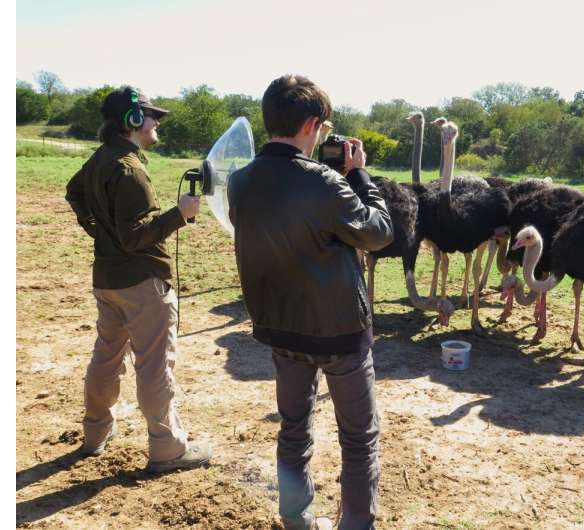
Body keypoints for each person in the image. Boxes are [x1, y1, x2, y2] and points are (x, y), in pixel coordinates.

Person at [228, 75, 393, 530]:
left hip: (282, 330)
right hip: (339, 332)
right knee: (358, 438)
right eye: (322, 128)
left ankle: (295, 518)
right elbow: (379, 233)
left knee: (293, 428)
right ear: (311, 125)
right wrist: (359, 177)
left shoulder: (240, 182)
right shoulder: (324, 182)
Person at [65, 86, 212, 473]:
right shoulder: (129, 169)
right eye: (151, 115)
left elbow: (74, 191)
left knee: (106, 359)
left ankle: (95, 434)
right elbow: (134, 238)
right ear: (132, 120)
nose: (156, 122)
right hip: (142, 285)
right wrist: (180, 214)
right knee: (154, 368)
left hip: (107, 280)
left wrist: (99, 231)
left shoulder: (102, 157)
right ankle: (167, 449)